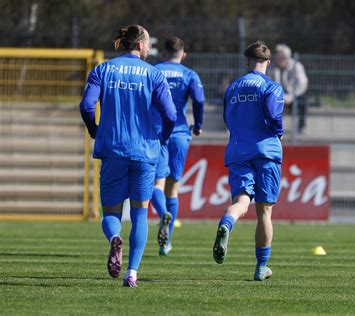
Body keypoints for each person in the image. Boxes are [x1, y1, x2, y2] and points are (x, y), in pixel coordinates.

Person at [79, 25, 177, 288]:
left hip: (112, 149)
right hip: (145, 152)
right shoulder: (153, 74)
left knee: (111, 213)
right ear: (141, 46)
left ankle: (114, 238)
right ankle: (132, 273)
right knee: (140, 215)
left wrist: (94, 130)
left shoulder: (103, 69)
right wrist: (163, 137)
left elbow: (87, 105)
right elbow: (170, 115)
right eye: (148, 44)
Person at [212, 41, 284, 281]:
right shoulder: (271, 86)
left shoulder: (232, 88)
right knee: (264, 212)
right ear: (268, 62)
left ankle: (227, 222)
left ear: (247, 61)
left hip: (238, 151)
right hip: (266, 152)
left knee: (241, 202)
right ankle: (261, 267)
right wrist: (280, 132)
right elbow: (274, 115)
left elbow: (227, 119)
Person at [151, 37, 205, 256]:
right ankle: (166, 243)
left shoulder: (153, 71)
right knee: (173, 187)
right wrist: (198, 125)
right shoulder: (189, 74)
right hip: (181, 132)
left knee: (157, 183)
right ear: (183, 55)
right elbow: (199, 100)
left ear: (163, 54)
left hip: (156, 132)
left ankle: (162, 212)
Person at [267, 43, 308, 133]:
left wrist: (292, 96)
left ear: (287, 57)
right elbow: (267, 83)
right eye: (277, 57)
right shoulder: (270, 67)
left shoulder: (296, 66)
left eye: (281, 57)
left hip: (292, 95)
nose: (279, 59)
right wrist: (278, 95)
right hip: (276, 96)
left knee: (303, 99)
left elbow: (302, 84)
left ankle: (301, 126)